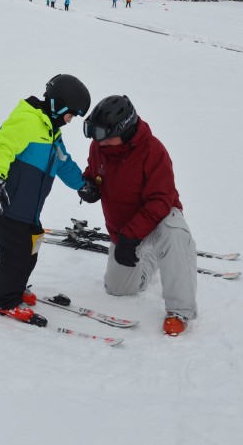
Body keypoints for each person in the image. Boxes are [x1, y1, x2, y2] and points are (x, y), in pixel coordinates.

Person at [79, 95, 198, 336]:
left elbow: (160, 201)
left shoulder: (153, 151)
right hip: (122, 227)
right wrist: (89, 184)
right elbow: (94, 171)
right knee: (118, 289)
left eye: (103, 135)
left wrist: (131, 237)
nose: (98, 142)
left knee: (174, 236)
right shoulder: (100, 146)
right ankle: (150, 257)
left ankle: (180, 310)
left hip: (158, 220)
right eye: (95, 134)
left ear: (123, 129)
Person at [0, 74, 93, 323]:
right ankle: (3, 301)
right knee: (16, 255)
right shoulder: (28, 120)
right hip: (8, 204)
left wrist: (82, 185)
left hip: (29, 210)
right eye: (71, 114)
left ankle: (16, 287)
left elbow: (63, 161)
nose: (70, 120)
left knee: (30, 250)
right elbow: (1, 146)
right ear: (59, 105)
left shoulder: (52, 131)